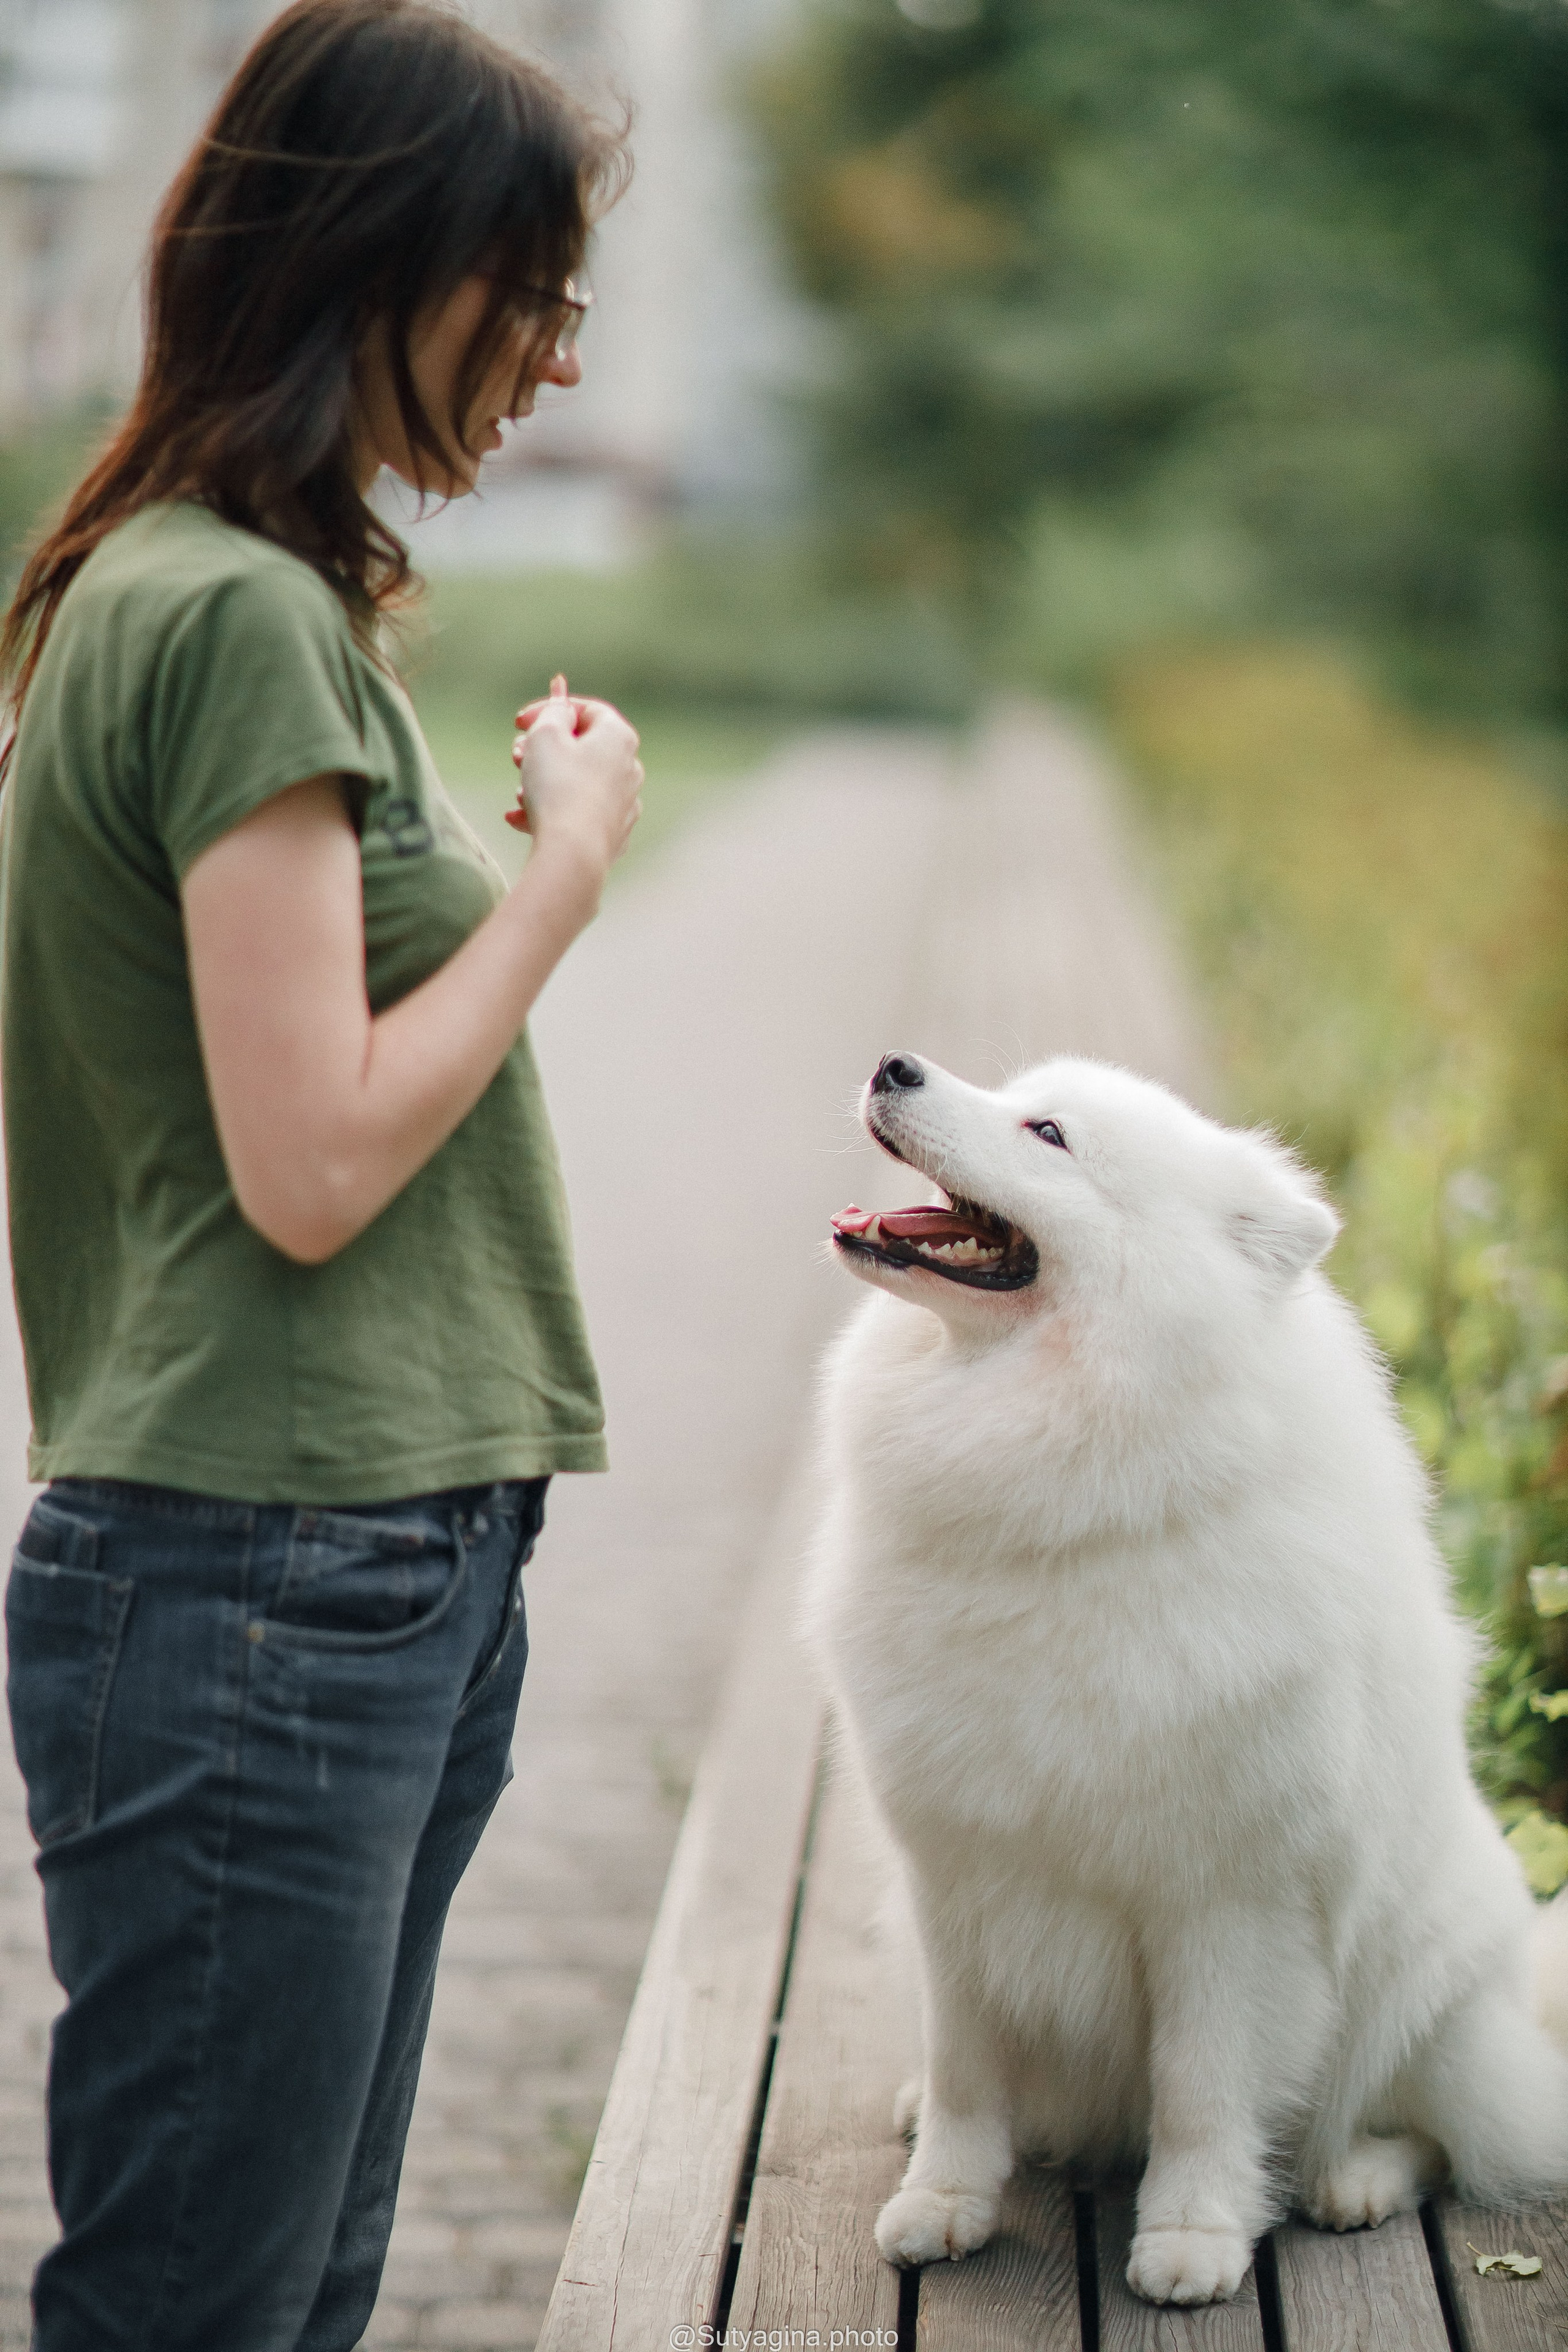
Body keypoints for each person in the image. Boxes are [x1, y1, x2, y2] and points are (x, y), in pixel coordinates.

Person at [0, 3, 641, 2345]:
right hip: (277, 1572)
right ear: (388, 259)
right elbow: (313, 1160)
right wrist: (564, 874)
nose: (556, 363)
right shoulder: (237, 617)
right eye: (534, 294)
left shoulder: (177, 586)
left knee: (273, 2293)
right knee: (209, 2306)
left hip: (341, 1563)